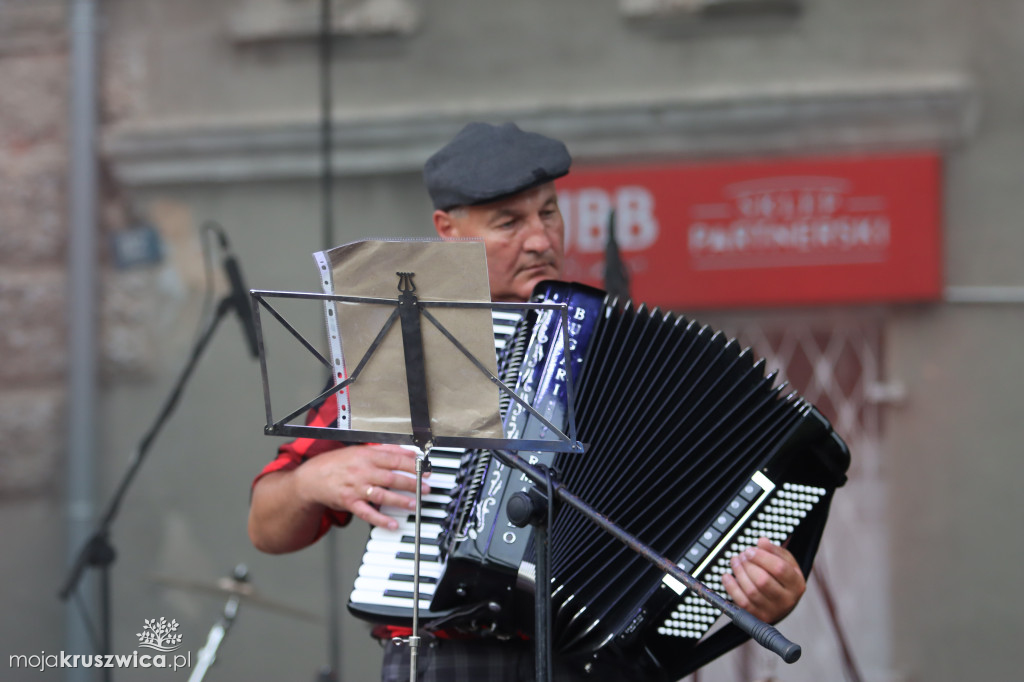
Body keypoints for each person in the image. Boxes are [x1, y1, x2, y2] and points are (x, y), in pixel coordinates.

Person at [248, 122, 807, 681]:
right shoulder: (405, 355)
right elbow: (267, 527)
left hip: (596, 663)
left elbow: (697, 526)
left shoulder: (616, 348)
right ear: (448, 230)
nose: (541, 240)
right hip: (451, 662)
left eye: (549, 213)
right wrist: (312, 482)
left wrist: (757, 589)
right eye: (509, 223)